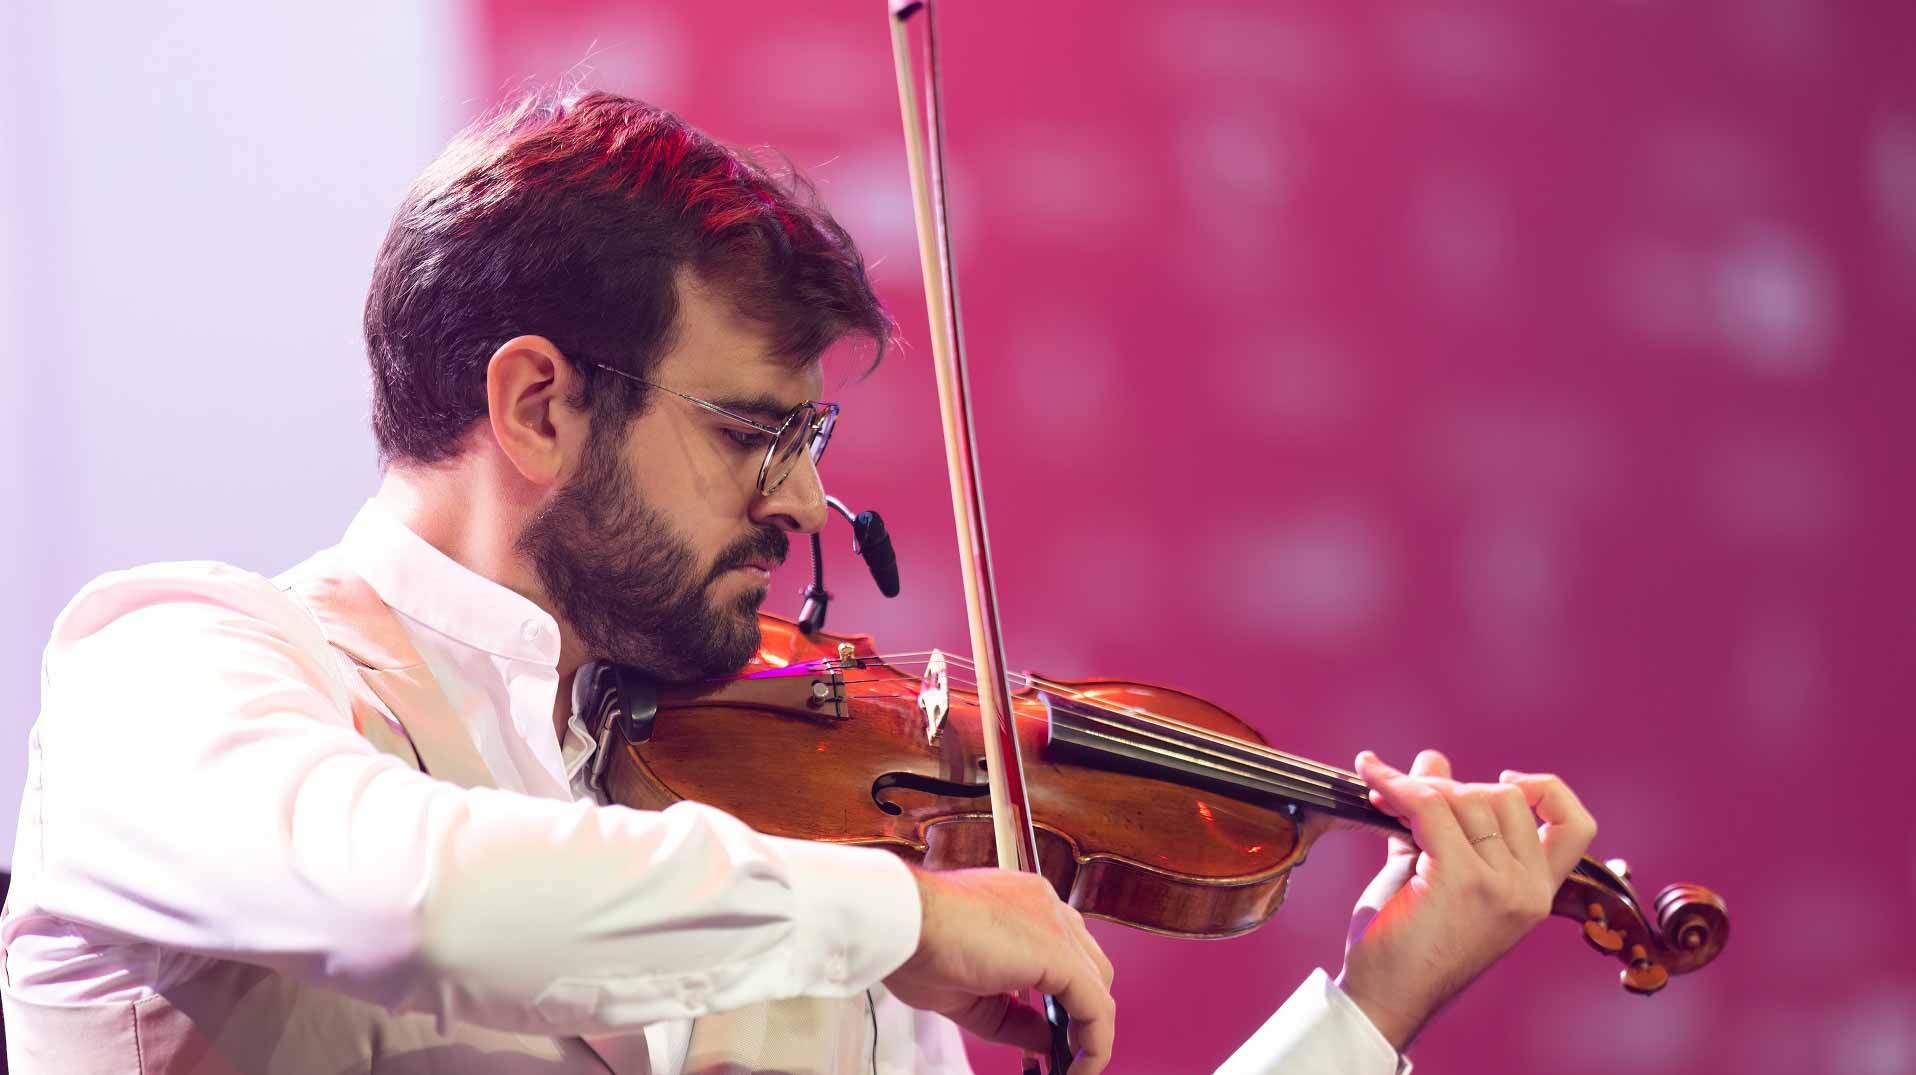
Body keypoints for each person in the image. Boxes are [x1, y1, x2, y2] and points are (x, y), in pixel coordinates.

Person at [0, 91, 1596, 1075]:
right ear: (538, 405)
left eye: (809, 437)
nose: (809, 502)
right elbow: (417, 901)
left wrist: (1366, 1014)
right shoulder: (177, 669)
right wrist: (895, 918)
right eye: (754, 433)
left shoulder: (802, 846)